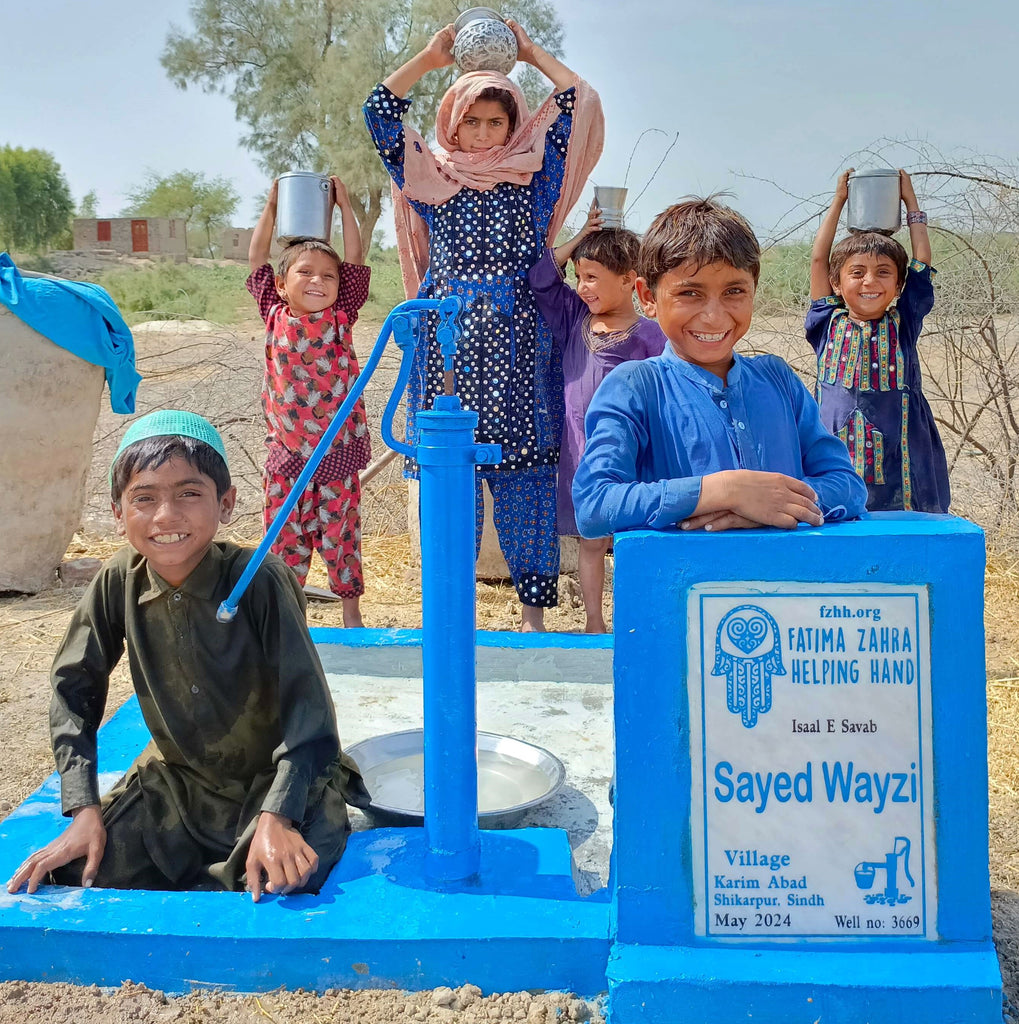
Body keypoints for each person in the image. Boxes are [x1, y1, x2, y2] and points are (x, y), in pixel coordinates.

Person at [6, 410, 369, 900]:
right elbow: (73, 689)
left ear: (226, 502)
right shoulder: (118, 580)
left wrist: (278, 814)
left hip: (279, 783)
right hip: (178, 787)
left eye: (189, 494)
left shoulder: (261, 580)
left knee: (280, 883)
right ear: (118, 512)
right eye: (144, 498)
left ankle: (310, 821)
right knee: (77, 872)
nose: (166, 516)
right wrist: (83, 810)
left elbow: (309, 710)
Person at [363, 21, 604, 632]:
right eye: (472, 121)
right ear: (452, 122)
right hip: (447, 346)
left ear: (512, 124)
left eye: (496, 122)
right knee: (451, 475)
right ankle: (450, 615)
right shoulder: (430, 180)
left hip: (521, 344)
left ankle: (533, 619)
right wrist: (428, 57)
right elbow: (380, 112)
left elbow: (580, 103)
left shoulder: (533, 178)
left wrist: (528, 54)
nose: (483, 133)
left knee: (527, 474)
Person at [572, 198, 868, 538]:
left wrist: (773, 506)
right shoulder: (635, 387)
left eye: (734, 291)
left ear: (754, 291)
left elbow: (848, 486)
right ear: (648, 297)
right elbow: (594, 504)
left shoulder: (778, 379)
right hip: (685, 588)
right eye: (690, 293)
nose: (714, 315)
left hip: (790, 587)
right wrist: (723, 491)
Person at [528, 203, 666, 632]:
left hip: (632, 458)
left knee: (628, 542)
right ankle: (593, 621)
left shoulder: (651, 336)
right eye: (580, 277)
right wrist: (577, 241)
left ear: (629, 281)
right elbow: (541, 279)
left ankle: (635, 620)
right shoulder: (575, 319)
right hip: (581, 455)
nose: (583, 287)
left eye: (593, 278)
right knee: (591, 541)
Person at [247, 176, 372, 627]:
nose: (318, 281)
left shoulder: (342, 315)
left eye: (328, 276)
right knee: (282, 539)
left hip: (335, 452)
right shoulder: (273, 312)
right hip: (286, 454)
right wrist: (272, 206)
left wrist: (344, 208)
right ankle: (285, 617)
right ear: (281, 284)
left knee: (341, 535)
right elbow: (256, 255)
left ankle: (351, 615)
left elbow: (356, 258)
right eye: (305, 273)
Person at [806, 169, 949, 513]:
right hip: (835, 447)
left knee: (902, 528)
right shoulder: (826, 322)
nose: (870, 281)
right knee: (834, 522)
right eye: (857, 273)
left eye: (884, 272)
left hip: (901, 451)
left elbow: (921, 262)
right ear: (837, 284)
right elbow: (818, 259)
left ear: (898, 286)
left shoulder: (903, 322)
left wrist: (909, 201)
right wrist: (839, 200)